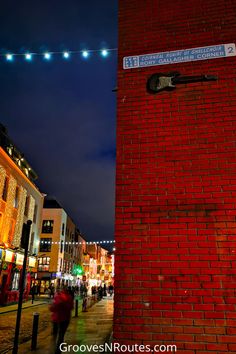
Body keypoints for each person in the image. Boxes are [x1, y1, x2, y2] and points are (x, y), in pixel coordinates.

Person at [49, 287, 74, 354]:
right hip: (65, 318)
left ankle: (56, 347)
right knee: (61, 334)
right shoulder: (69, 297)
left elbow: (52, 308)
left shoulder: (58, 297)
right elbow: (71, 307)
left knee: (56, 334)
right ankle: (58, 348)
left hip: (56, 318)